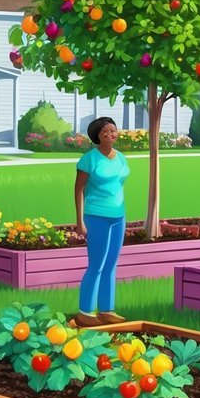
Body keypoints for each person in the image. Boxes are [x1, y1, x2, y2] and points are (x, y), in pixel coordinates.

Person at [73, 117, 130, 328]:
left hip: (119, 216)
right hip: (96, 216)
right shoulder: (90, 159)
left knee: (111, 264)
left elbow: (119, 184)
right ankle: (85, 311)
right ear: (97, 136)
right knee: (96, 264)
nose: (110, 135)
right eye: (105, 132)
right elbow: (78, 190)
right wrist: (80, 221)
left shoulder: (121, 158)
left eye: (113, 130)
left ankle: (106, 309)